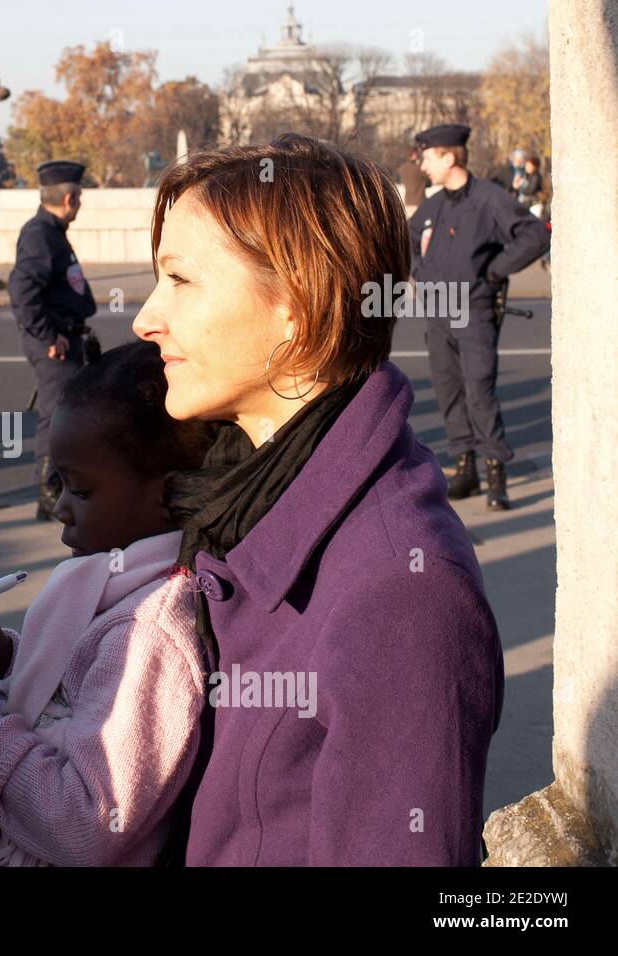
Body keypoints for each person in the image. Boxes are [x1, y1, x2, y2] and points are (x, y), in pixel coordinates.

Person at [134, 133, 504, 866]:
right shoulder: (238, 494)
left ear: (297, 306)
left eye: (179, 280)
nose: (146, 317)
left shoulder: (401, 589)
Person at [0, 341, 214, 866]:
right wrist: (2, 655)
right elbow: (80, 693)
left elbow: (87, 824)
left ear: (163, 495)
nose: (62, 510)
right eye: (59, 484)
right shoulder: (117, 587)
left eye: (81, 490)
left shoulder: (150, 633)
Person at [411, 123, 551, 510]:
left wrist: (494, 271)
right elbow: (408, 243)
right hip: (439, 314)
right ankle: (465, 467)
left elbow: (535, 235)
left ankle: (495, 473)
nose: (422, 165)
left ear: (448, 156)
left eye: (427, 157)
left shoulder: (490, 199)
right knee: (449, 392)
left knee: (479, 393)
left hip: (474, 312)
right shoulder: (434, 205)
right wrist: (420, 273)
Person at [8, 160, 98, 521]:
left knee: (66, 413)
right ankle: (48, 492)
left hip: (65, 336)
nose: (79, 203)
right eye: (78, 196)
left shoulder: (52, 231)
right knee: (55, 416)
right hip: (53, 342)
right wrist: (49, 336)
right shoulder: (40, 234)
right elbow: (22, 291)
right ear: (68, 198)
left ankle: (57, 489)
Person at [398, 146, 428, 219]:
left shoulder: (402, 168)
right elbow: (429, 182)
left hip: (408, 202)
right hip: (420, 202)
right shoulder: (420, 168)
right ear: (415, 154)